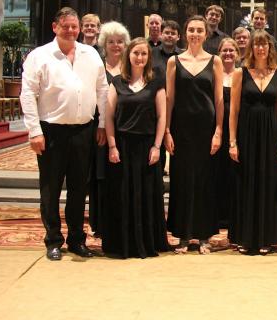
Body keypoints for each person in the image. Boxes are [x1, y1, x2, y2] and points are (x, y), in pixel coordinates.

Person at [20, 7, 109, 261]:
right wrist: (34, 131)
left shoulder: (90, 54)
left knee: (79, 189)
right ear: (55, 27)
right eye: (66, 26)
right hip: (51, 132)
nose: (71, 30)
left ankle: (77, 240)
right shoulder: (40, 56)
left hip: (84, 130)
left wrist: (101, 123)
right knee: (51, 188)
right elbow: (27, 94)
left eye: (74, 26)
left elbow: (102, 90)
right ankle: (53, 241)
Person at [103, 38, 169, 258]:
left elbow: (162, 117)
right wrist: (112, 145)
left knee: (146, 195)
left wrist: (157, 147)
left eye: (144, 54)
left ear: (148, 57)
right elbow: (109, 117)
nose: (139, 58)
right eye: (136, 53)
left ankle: (146, 241)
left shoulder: (156, 82)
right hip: (122, 145)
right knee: (122, 194)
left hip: (147, 146)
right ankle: (122, 243)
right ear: (128, 56)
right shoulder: (117, 82)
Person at [165, 15, 224, 254]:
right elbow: (169, 99)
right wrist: (167, 130)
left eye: (199, 30)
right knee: (181, 179)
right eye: (191, 29)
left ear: (205, 34)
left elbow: (219, 99)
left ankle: (203, 236)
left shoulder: (215, 61)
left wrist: (219, 131)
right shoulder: (174, 61)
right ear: (185, 33)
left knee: (205, 181)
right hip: (181, 128)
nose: (195, 34)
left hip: (206, 128)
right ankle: (182, 234)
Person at [229, 31, 277, 255]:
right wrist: (232, 141)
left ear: (270, 48)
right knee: (246, 182)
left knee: (269, 183)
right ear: (251, 48)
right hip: (247, 133)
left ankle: (267, 237)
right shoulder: (239, 73)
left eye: (265, 45)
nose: (261, 48)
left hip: (271, 135)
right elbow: (233, 110)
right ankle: (245, 237)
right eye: (257, 45)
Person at [89, 21, 130, 237]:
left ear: (126, 44)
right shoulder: (97, 67)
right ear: (104, 44)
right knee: (100, 176)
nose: (116, 45)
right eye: (111, 42)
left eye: (120, 42)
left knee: (120, 176)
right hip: (99, 130)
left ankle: (120, 221)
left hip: (124, 130)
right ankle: (100, 223)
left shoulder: (131, 68)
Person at [215, 37, 239, 229]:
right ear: (219, 53)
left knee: (235, 173)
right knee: (217, 171)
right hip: (216, 128)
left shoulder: (242, 74)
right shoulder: (214, 73)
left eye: (232, 50)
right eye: (225, 50)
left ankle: (233, 216)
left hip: (237, 130)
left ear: (238, 54)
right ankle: (218, 215)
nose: (228, 54)